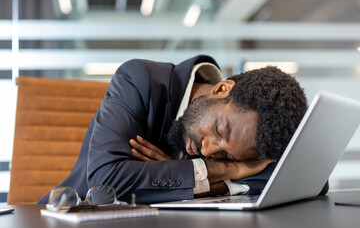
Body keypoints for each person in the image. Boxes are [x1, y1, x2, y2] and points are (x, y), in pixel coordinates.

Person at [37, 55, 314, 205]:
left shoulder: (246, 137)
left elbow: (314, 180)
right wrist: (225, 171)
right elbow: (106, 179)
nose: (208, 151)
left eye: (228, 157)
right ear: (221, 89)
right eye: (219, 130)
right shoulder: (139, 81)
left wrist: (198, 183)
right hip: (72, 217)